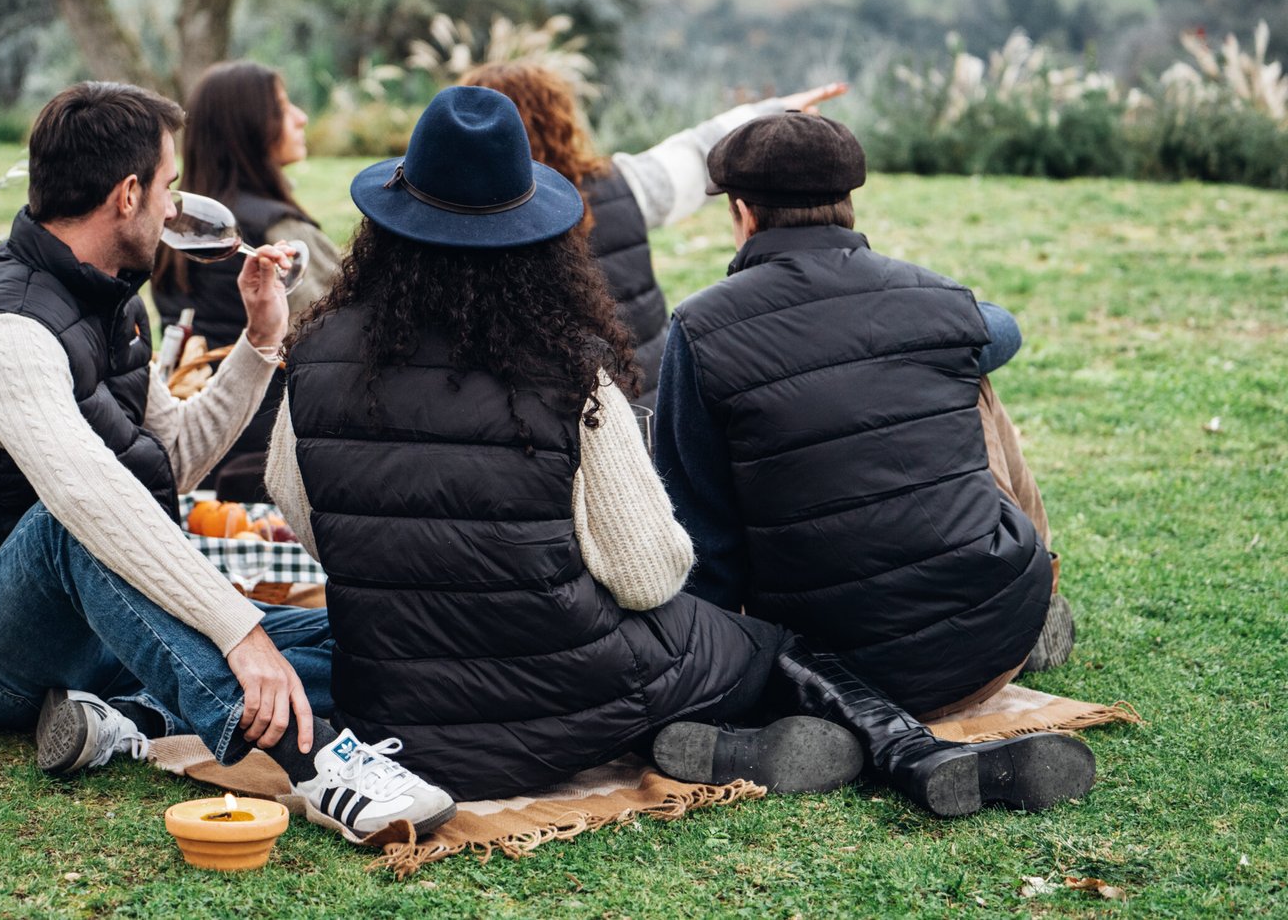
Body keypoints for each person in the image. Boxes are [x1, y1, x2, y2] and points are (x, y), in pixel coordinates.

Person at [264, 86, 1095, 816]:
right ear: (531, 233)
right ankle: (911, 753)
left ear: (389, 223)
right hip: (574, 704)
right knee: (769, 646)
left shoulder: (316, 354)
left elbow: (302, 509)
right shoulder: (569, 368)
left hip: (397, 718)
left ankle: (739, 744)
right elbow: (649, 574)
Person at [0, 81, 454, 843]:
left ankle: (129, 717)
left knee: (362, 642)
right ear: (128, 194)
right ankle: (320, 764)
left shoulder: (112, 302)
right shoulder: (8, 334)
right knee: (81, 527)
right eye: (169, 185)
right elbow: (94, 501)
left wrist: (260, 341)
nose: (175, 207)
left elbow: (169, 463)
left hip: (110, 628)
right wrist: (238, 632)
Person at [655, 109, 1074, 725]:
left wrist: (712, 663)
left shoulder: (700, 329)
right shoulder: (937, 298)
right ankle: (1048, 593)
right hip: (991, 644)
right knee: (973, 379)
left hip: (824, 676)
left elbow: (703, 540)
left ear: (743, 214)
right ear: (848, 203)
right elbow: (1002, 331)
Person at [460, 62, 846, 407]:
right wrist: (778, 111)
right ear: (562, 119)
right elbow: (697, 150)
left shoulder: (462, 221)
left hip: (542, 414)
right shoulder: (624, 183)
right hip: (645, 399)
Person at [150, 61, 342, 500]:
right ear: (249, 127)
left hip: (198, 448)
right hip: (271, 465)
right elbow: (343, 340)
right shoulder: (278, 235)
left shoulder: (170, 230)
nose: (301, 117)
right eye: (283, 107)